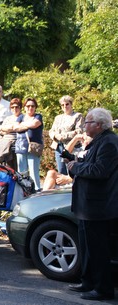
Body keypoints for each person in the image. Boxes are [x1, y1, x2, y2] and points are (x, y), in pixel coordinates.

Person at [66, 108, 118, 301]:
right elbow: (87, 164)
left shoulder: (109, 142)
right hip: (87, 206)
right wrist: (73, 163)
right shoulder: (98, 141)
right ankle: (88, 281)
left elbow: (100, 170)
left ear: (99, 124)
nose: (84, 125)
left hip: (98, 207)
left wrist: (76, 166)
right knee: (87, 247)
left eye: (87, 122)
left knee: (98, 249)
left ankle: (103, 288)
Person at [48, 95, 84, 175]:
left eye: (67, 104)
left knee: (71, 169)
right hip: (58, 147)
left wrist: (63, 136)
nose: (65, 106)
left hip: (72, 147)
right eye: (62, 105)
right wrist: (55, 136)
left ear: (71, 104)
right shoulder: (58, 118)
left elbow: (79, 131)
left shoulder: (78, 116)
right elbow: (51, 130)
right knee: (61, 170)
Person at [14, 97, 43, 191]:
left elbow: (35, 124)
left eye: (32, 106)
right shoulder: (20, 117)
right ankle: (22, 191)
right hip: (21, 147)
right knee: (22, 173)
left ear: (35, 107)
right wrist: (27, 125)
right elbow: (15, 128)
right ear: (24, 107)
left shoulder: (38, 116)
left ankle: (36, 191)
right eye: (28, 106)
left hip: (33, 147)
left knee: (34, 172)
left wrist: (22, 125)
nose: (30, 108)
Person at [0, 98, 23, 170]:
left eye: (17, 107)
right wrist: (9, 128)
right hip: (5, 142)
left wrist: (7, 129)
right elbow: (0, 131)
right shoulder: (8, 118)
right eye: (12, 107)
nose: (14, 109)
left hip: (17, 142)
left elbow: (16, 128)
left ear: (20, 107)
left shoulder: (22, 117)